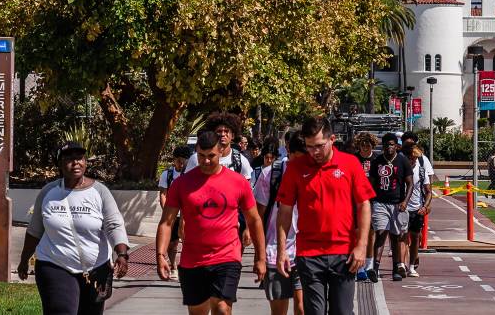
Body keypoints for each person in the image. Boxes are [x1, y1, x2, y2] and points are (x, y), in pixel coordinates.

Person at [156, 130, 267, 315]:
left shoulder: (238, 182)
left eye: (211, 156)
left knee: (222, 309)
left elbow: (254, 219)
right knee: (198, 312)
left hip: (227, 256)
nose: (206, 161)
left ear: (222, 151)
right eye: (201, 156)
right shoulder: (181, 184)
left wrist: (260, 258)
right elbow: (166, 223)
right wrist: (160, 255)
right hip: (193, 260)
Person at [276, 116, 374, 315]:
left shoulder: (350, 164)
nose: (315, 152)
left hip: (344, 253)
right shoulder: (296, 168)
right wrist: (281, 250)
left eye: (320, 145)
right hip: (309, 254)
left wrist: (361, 246)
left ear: (332, 139)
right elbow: (284, 211)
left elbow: (364, 204)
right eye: (310, 146)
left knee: (342, 311)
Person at [17, 141, 129, 315]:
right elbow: (35, 231)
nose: (76, 162)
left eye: (80, 158)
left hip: (96, 269)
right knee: (61, 310)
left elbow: (114, 225)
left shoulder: (100, 192)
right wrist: (24, 260)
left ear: (85, 162)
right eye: (69, 158)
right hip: (55, 263)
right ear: (60, 164)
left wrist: (121, 253)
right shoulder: (48, 192)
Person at [254, 131, 306, 315]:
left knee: (302, 307)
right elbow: (257, 217)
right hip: (274, 251)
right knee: (279, 311)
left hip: (305, 251)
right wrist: (259, 255)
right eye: (296, 159)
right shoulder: (270, 174)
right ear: (288, 153)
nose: (300, 164)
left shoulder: (313, 174)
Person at [185, 113, 254, 249]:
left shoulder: (241, 162)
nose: (223, 134)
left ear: (233, 135)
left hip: (233, 221)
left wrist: (248, 227)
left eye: (226, 131)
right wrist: (183, 221)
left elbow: (248, 200)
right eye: (219, 131)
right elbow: (186, 192)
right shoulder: (196, 159)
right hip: (202, 220)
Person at [368, 133, 413, 282]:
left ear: (396, 145)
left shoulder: (402, 161)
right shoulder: (377, 161)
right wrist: (371, 201)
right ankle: (374, 268)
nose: (389, 147)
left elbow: (410, 183)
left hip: (397, 204)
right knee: (381, 233)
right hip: (380, 203)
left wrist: (405, 201)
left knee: (395, 236)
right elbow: (372, 183)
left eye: (392, 144)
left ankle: (396, 269)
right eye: (387, 144)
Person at [398, 141, 432, 278]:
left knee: (415, 238)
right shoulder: (401, 167)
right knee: (402, 237)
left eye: (415, 158)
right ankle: (401, 264)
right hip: (403, 208)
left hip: (417, 209)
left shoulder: (421, 169)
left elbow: (429, 191)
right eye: (411, 158)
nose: (413, 161)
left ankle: (411, 266)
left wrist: (425, 206)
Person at [158, 145, 192, 280]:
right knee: (172, 243)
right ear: (174, 160)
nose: (181, 163)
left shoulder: (190, 174)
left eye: (184, 160)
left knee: (188, 241)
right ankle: (173, 266)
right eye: (179, 160)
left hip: (187, 214)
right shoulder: (167, 174)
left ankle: (188, 267)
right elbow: (163, 194)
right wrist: (167, 211)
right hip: (172, 214)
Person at [352, 132, 379, 281]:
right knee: (357, 232)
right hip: (356, 200)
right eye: (362, 145)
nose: (365, 148)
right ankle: (359, 267)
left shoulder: (376, 160)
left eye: (368, 146)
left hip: (372, 200)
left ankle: (369, 265)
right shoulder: (354, 159)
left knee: (370, 233)